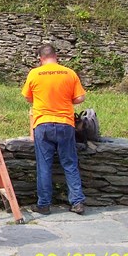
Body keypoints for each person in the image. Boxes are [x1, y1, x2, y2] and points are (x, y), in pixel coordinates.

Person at [21, 43, 87, 215]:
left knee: (44, 166)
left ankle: (44, 205)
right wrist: (65, 100)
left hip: (42, 124)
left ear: (40, 58)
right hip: (65, 123)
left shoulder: (34, 74)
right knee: (70, 163)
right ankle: (77, 202)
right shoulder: (69, 73)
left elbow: (28, 98)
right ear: (55, 56)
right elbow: (80, 97)